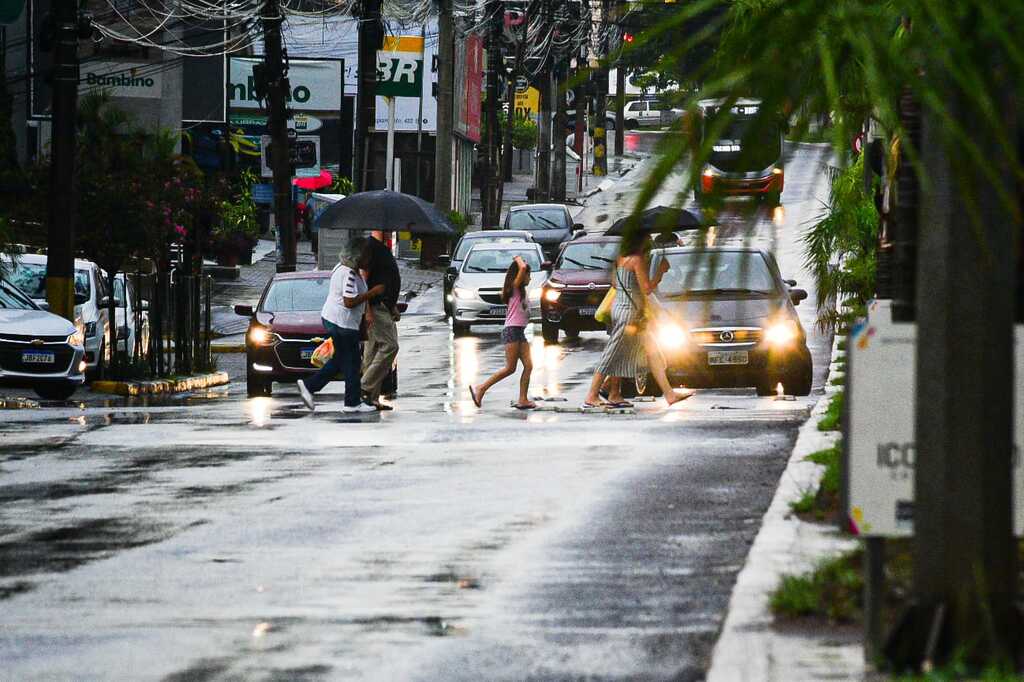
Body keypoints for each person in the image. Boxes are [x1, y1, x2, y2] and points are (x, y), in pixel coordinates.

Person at [582, 230, 684, 409]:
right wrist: (660, 272)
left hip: (623, 311)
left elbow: (615, 283)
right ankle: (592, 394)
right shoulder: (637, 260)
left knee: (652, 352)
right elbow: (646, 288)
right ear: (640, 241)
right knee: (612, 353)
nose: (650, 240)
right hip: (629, 314)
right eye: (648, 237)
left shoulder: (620, 258)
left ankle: (668, 394)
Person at [297, 238, 383, 413]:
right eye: (367, 256)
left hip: (336, 320)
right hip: (342, 322)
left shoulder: (344, 268)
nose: (369, 259)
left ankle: (309, 385)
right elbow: (349, 301)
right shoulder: (350, 274)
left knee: (340, 360)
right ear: (358, 257)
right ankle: (351, 403)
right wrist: (372, 293)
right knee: (352, 362)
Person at [469, 256, 536, 410]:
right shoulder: (514, 288)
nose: (530, 278)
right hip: (512, 331)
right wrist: (519, 259)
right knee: (510, 368)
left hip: (519, 331)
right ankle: (481, 388)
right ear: (520, 275)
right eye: (528, 275)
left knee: (528, 365)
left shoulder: (521, 292)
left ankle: (523, 399)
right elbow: (523, 268)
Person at [361, 229, 402, 410]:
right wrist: (367, 309)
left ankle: (371, 398)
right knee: (391, 345)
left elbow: (386, 279)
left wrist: (392, 305)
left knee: (373, 349)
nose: (391, 231)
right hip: (376, 307)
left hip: (384, 306)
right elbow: (364, 281)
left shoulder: (382, 249)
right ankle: (364, 386)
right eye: (388, 229)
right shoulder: (371, 247)